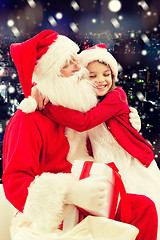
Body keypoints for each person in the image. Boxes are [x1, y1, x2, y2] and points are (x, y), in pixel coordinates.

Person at [2, 30, 158, 240]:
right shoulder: (27, 120)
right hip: (55, 214)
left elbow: (99, 120)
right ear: (51, 74)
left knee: (144, 209)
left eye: (76, 60)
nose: (79, 69)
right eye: (68, 64)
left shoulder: (74, 110)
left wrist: (129, 121)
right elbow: (15, 182)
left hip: (94, 194)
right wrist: (69, 194)